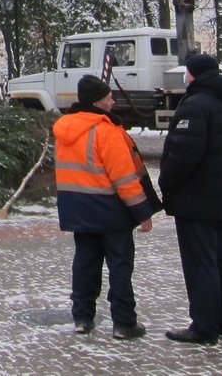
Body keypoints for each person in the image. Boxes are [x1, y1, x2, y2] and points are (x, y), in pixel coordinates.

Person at [54, 75, 161, 340]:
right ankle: (124, 323)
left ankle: (82, 317)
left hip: (78, 208)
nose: (113, 100)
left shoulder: (64, 128)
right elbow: (124, 178)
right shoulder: (106, 130)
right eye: (109, 96)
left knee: (85, 265)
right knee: (120, 267)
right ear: (98, 101)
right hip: (110, 210)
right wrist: (142, 212)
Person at [159, 53, 222, 345]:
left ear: (193, 75)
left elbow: (184, 155)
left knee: (201, 264)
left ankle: (204, 327)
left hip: (197, 201)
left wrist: (165, 182)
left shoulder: (195, 105)